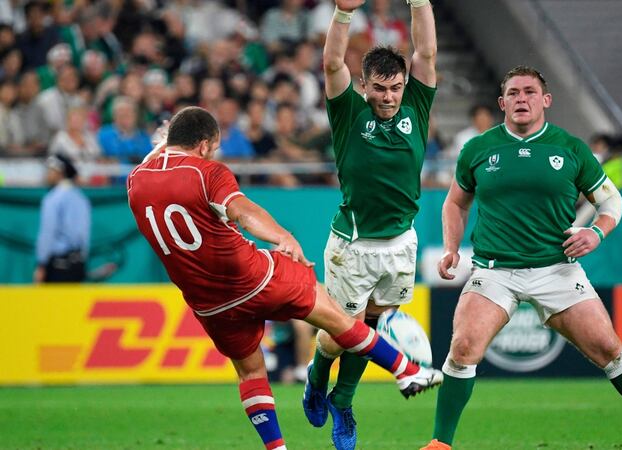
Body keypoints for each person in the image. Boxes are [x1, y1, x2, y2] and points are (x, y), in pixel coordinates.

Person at [127, 106, 442, 450]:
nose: (214, 153)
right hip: (251, 275)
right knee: (337, 317)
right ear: (204, 145)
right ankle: (406, 370)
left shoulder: (136, 180)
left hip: (209, 304)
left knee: (250, 373)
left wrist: (162, 142)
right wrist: (282, 236)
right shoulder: (208, 172)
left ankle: (277, 448)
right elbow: (243, 212)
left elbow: (162, 161)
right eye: (214, 148)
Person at [421, 66, 622, 450]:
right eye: (514, 93)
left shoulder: (569, 148)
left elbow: (611, 201)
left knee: (609, 349)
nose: (522, 99)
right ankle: (440, 444)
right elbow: (455, 202)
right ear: (502, 103)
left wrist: (596, 232)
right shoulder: (478, 148)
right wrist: (452, 247)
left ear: (545, 100)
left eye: (530, 92)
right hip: (494, 271)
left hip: (557, 269)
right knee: (463, 347)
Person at [302, 0, 437, 449]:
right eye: (379, 88)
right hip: (353, 246)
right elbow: (331, 61)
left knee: (371, 325)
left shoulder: (415, 108)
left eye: (395, 88)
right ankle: (318, 376)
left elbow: (427, 54)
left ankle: (344, 398)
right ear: (364, 85)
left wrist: (420, 2)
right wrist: (343, 13)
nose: (388, 96)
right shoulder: (349, 112)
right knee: (344, 335)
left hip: (401, 243)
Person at [34, 154, 91, 283]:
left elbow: (48, 232)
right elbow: (84, 235)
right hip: (78, 265)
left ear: (59, 173)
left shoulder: (52, 198)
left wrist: (41, 264)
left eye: (50, 170)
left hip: (57, 267)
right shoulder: (81, 198)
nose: (47, 174)